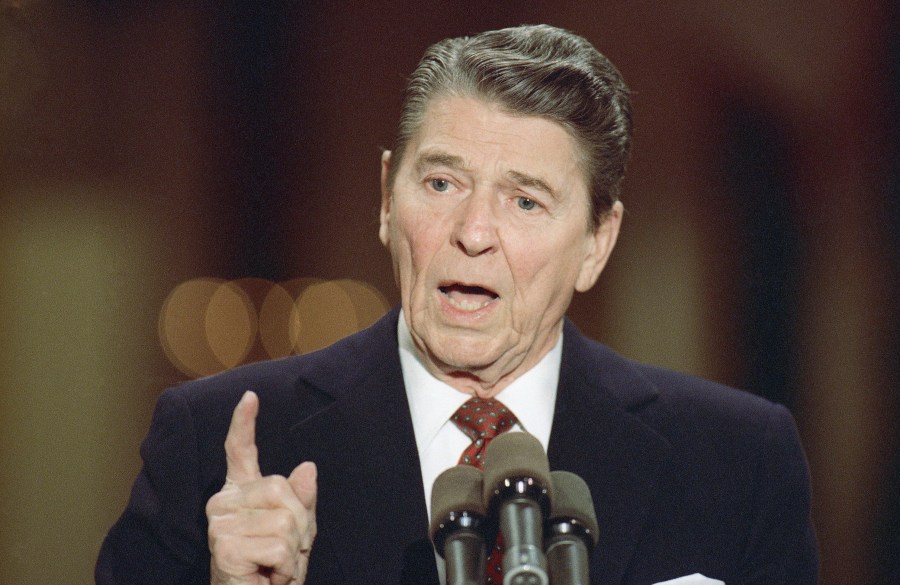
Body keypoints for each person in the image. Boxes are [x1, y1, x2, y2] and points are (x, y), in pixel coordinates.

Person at [96, 24, 817, 585]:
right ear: (386, 196)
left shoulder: (738, 460)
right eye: (441, 184)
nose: (472, 233)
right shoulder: (213, 448)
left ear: (599, 240)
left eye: (526, 200)